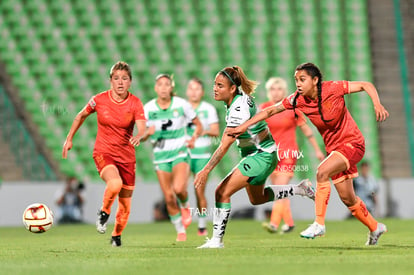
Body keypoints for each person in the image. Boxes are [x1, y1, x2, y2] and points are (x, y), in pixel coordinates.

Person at [227, 62, 389, 245]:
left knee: (322, 172)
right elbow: (270, 110)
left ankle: (319, 224)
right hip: (334, 150)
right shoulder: (298, 99)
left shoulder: (333, 88)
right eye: (296, 80)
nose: (298, 83)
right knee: (348, 198)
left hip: (353, 144)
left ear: (315, 80)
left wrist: (377, 104)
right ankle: (375, 227)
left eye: (302, 79)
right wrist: (243, 126)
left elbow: (365, 85)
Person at [195, 66, 315, 249]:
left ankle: (216, 241)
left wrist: (205, 170)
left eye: (220, 85)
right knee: (257, 199)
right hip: (265, 154)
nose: (215, 88)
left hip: (260, 156)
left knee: (221, 192)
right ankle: (300, 189)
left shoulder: (237, 109)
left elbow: (224, 145)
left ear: (232, 88)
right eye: (214, 84)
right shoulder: (240, 99)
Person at [62, 61, 146, 247]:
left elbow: (142, 127)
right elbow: (80, 115)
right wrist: (69, 139)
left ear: (130, 82)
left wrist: (140, 135)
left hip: (127, 158)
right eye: (116, 78)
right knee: (114, 183)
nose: (120, 82)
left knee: (125, 207)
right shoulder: (99, 100)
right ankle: (104, 212)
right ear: (110, 81)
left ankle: (116, 236)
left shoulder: (135, 103)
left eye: (124, 78)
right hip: (104, 152)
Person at [142, 74, 203, 242]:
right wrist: (147, 133)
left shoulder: (181, 104)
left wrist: (193, 138)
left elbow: (198, 125)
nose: (163, 87)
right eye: (160, 84)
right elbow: (141, 136)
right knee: (168, 196)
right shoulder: (148, 108)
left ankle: (185, 205)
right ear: (155, 88)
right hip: (160, 156)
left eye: (166, 84)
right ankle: (180, 231)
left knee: (178, 189)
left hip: (179, 152)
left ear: (171, 88)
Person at [260, 77, 325, 234]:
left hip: (288, 153)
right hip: (270, 154)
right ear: (268, 92)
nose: (276, 92)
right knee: (279, 191)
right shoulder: (264, 108)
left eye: (279, 89)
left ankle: (274, 224)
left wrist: (317, 149)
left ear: (284, 91)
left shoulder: (292, 108)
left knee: (281, 187)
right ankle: (289, 223)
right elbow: (259, 133)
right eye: (272, 89)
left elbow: (306, 130)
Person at [186, 77, 220, 236]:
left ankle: (201, 224)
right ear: (187, 91)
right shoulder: (181, 108)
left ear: (202, 92)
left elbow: (216, 131)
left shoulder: (208, 108)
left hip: (202, 154)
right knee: (178, 187)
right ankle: (184, 210)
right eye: (191, 88)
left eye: (197, 89)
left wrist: (202, 131)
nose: (194, 92)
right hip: (183, 153)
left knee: (199, 190)